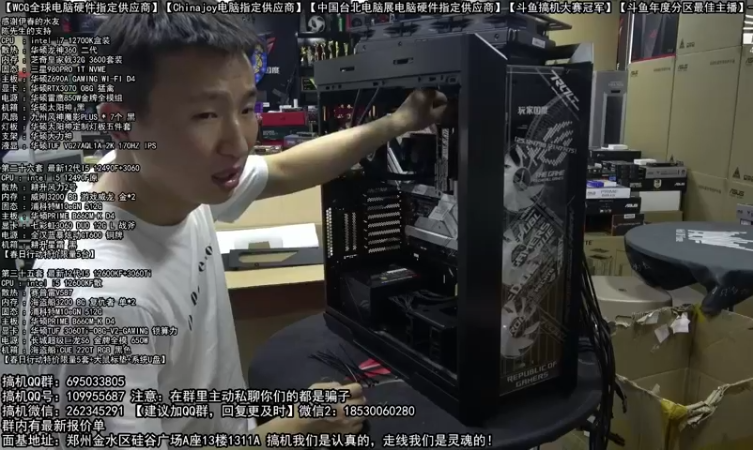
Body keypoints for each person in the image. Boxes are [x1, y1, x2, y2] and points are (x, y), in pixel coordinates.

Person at [24, 2, 446, 448]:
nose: (239, 143)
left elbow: (283, 169)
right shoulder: (98, 307)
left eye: (246, 108)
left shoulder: (158, 175)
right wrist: (295, 427)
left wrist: (399, 122)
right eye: (205, 116)